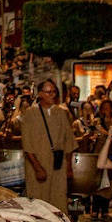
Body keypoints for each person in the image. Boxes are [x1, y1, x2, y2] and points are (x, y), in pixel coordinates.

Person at [20, 79, 75, 213]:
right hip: (38, 165)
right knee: (38, 202)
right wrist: (37, 167)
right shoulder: (30, 114)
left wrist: (68, 167)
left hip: (58, 164)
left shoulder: (61, 113)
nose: (52, 95)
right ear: (40, 94)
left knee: (59, 200)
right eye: (48, 92)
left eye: (54, 92)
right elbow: (27, 145)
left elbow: (69, 142)